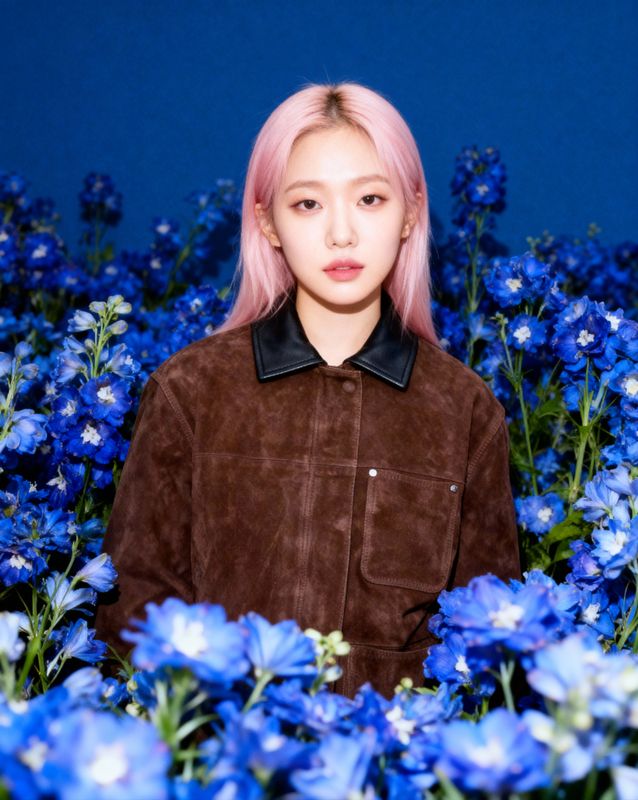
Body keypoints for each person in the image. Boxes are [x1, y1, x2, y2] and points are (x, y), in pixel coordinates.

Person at [95, 81, 521, 699]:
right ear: (267, 223)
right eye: (308, 205)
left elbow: (488, 647)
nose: (341, 234)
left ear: (411, 213)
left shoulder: (464, 410)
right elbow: (132, 620)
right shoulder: (190, 393)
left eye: (371, 199)